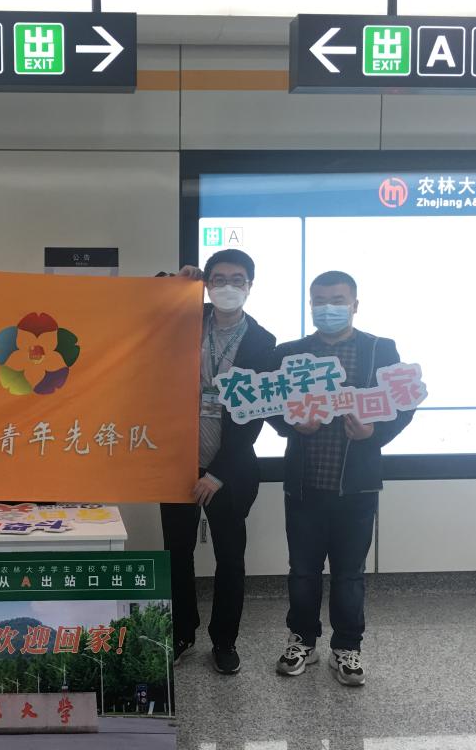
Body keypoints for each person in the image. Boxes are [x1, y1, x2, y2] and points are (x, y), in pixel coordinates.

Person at [268, 270, 414, 686]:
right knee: (302, 571)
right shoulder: (290, 354)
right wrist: (292, 425)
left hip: (357, 487)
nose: (327, 308)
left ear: (354, 304)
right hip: (304, 486)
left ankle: (347, 648)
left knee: (350, 574)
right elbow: (271, 405)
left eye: (337, 300)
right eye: (319, 300)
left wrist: (374, 432)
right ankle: (302, 641)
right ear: (310, 304)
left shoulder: (379, 349)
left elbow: (404, 403)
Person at [160, 249, 277, 675]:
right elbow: (146, 303)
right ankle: (182, 632)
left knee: (230, 557)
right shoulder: (187, 318)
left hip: (231, 469)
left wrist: (218, 473)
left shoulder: (263, 342)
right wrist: (176, 281)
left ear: (250, 286)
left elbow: (253, 417)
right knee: (177, 553)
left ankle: (224, 641)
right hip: (177, 462)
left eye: (237, 279)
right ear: (206, 284)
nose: (228, 286)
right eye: (219, 278)